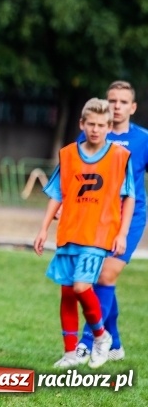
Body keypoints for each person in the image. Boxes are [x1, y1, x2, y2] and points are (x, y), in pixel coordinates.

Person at [33, 97, 134, 369]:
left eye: (102, 125)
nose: (96, 129)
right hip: (69, 232)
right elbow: (57, 194)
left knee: (81, 287)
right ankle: (69, 353)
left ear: (109, 126)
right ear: (82, 124)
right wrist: (43, 228)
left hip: (98, 235)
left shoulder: (119, 157)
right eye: (91, 124)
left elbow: (129, 197)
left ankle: (101, 337)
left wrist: (122, 234)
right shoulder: (68, 154)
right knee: (67, 292)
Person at [74, 81, 148, 363]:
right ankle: (114, 342)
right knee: (100, 279)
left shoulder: (143, 140)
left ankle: (87, 341)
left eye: (122, 102)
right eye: (112, 100)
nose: (117, 106)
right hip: (97, 219)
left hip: (130, 218)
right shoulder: (92, 138)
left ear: (133, 107)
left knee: (105, 276)